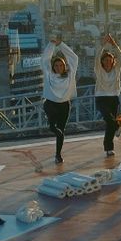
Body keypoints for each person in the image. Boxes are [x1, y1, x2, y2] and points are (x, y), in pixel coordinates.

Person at [41, 36, 78, 164]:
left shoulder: (70, 75)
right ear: (53, 66)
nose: (58, 67)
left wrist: (61, 44)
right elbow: (45, 59)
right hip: (50, 105)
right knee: (53, 127)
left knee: (61, 131)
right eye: (56, 65)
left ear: (64, 66)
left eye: (61, 65)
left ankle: (58, 155)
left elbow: (74, 58)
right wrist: (51, 45)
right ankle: (50, 125)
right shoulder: (49, 74)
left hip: (64, 106)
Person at [93, 34, 121, 157]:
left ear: (112, 61)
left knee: (109, 124)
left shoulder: (117, 70)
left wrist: (113, 44)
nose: (107, 61)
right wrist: (102, 45)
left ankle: (108, 148)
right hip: (101, 98)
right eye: (105, 60)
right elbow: (96, 57)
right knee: (110, 120)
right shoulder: (98, 70)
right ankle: (119, 124)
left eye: (110, 59)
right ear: (102, 61)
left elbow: (120, 56)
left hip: (114, 98)